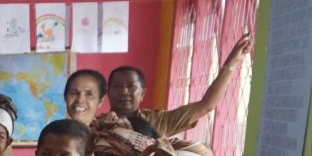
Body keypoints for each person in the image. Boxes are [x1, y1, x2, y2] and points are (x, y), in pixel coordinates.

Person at [107, 34, 252, 137]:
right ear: (108, 92)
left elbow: (207, 104)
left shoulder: (159, 122)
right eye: (118, 86)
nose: (124, 92)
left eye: (131, 86)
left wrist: (231, 63)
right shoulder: (97, 126)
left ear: (143, 94)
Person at [62, 69, 107, 156]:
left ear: (100, 101)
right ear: (65, 97)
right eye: (74, 93)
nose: (80, 99)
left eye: (89, 94)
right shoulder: (55, 136)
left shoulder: (107, 141)